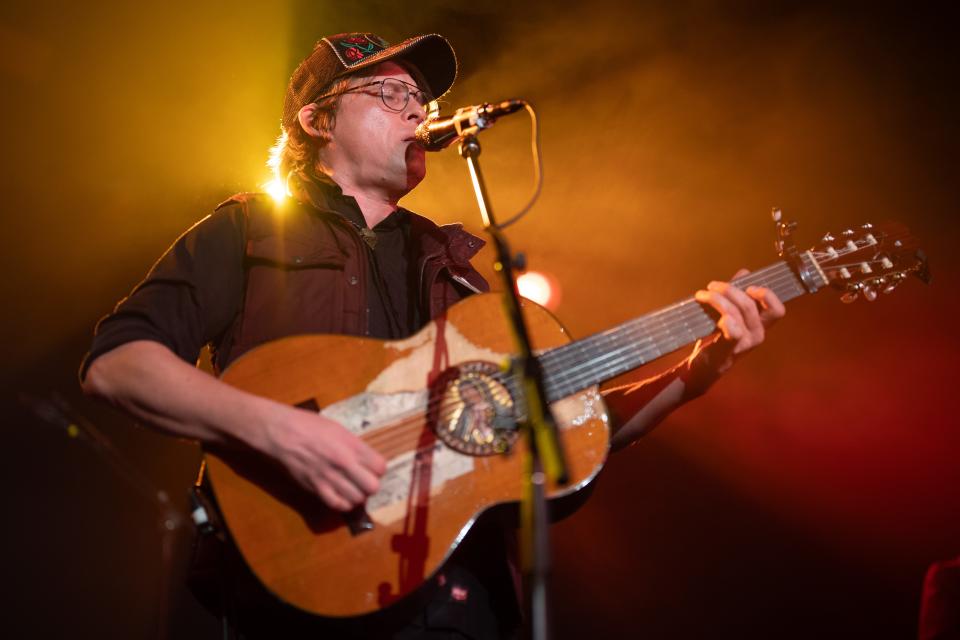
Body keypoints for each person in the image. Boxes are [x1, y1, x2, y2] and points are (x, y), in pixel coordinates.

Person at [80, 32, 785, 639]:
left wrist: (699, 368)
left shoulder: (465, 280)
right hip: (289, 602)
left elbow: (569, 432)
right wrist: (279, 431)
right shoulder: (247, 231)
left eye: (423, 100)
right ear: (318, 119)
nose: (418, 109)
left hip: (454, 612)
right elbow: (117, 364)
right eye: (390, 93)